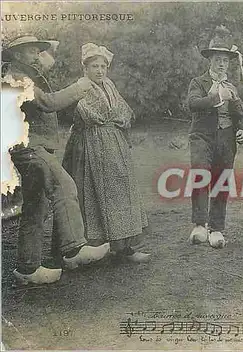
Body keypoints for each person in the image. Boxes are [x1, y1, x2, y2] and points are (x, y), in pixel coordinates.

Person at [3, 36, 110, 285]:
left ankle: (27, 269)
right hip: (30, 147)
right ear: (17, 55)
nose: (37, 56)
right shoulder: (16, 78)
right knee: (64, 186)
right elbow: (50, 104)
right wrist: (82, 85)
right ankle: (75, 250)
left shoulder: (23, 75)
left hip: (27, 147)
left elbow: (48, 66)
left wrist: (49, 48)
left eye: (38, 52)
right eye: (31, 51)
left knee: (35, 206)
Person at [62, 43, 150, 263]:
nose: (99, 70)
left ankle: (124, 246)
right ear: (85, 68)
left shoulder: (109, 85)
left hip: (115, 143)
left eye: (103, 66)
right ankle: (89, 247)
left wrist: (116, 120)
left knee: (121, 190)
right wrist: (110, 119)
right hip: (90, 144)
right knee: (92, 192)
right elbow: (91, 114)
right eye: (94, 66)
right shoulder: (81, 86)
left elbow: (123, 111)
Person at [187, 26, 243, 248]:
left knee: (222, 181)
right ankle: (199, 225)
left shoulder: (231, 86)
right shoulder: (198, 82)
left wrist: (240, 129)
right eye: (217, 59)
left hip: (226, 138)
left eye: (225, 60)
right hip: (202, 137)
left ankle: (217, 228)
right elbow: (193, 104)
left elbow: (239, 114)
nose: (222, 64)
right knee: (201, 175)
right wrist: (214, 97)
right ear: (210, 60)